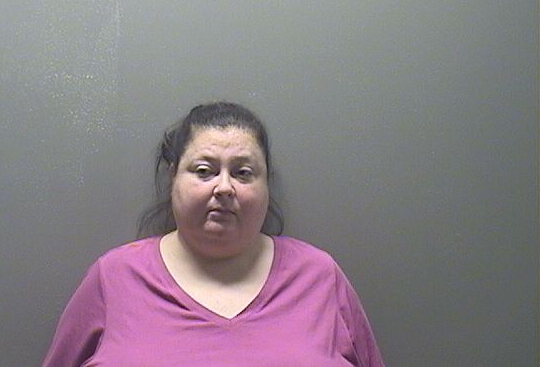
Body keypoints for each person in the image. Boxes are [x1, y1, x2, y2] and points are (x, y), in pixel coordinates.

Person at [43, 101, 385, 366]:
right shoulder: (114, 277)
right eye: (204, 171)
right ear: (173, 178)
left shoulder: (319, 276)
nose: (224, 187)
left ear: (266, 185)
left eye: (243, 172)